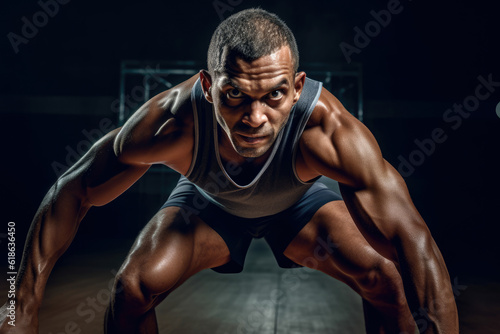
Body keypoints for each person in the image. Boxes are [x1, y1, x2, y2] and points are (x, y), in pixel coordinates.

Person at [0, 8, 458, 334]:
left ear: (297, 88)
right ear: (208, 84)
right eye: (235, 95)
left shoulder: (328, 131)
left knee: (388, 279)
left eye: (274, 96)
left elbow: (414, 242)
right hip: (208, 205)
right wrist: (18, 307)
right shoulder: (172, 122)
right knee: (132, 288)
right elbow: (71, 190)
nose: (254, 117)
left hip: (300, 206)